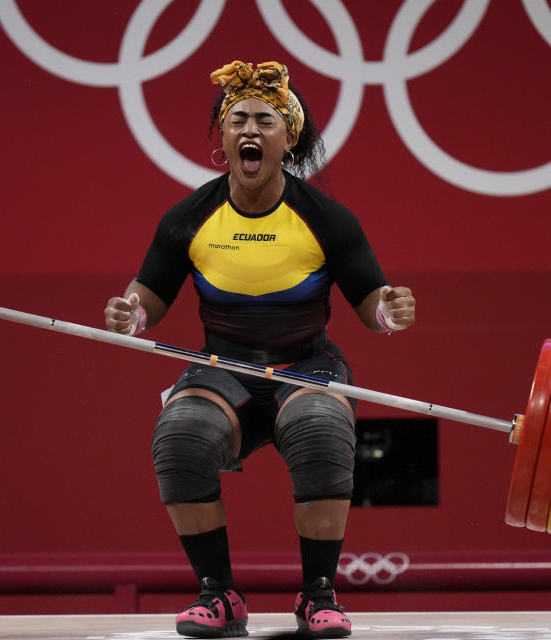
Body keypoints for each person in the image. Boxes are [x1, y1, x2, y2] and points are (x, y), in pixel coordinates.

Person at [104, 60, 416, 639]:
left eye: (264, 120)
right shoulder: (188, 218)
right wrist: (131, 314)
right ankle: (218, 596)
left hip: (306, 365)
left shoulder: (325, 219)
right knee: (180, 437)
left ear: (287, 137)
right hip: (224, 368)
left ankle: (318, 596)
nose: (250, 130)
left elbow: (373, 305)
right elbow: (146, 297)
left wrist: (388, 313)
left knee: (323, 426)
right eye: (237, 120)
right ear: (222, 137)